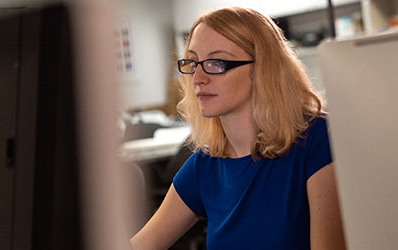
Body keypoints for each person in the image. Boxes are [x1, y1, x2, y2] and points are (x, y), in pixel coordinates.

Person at [130, 7, 346, 250]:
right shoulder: (205, 165)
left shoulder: (318, 139)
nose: (198, 78)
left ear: (262, 69)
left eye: (216, 62)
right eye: (193, 62)